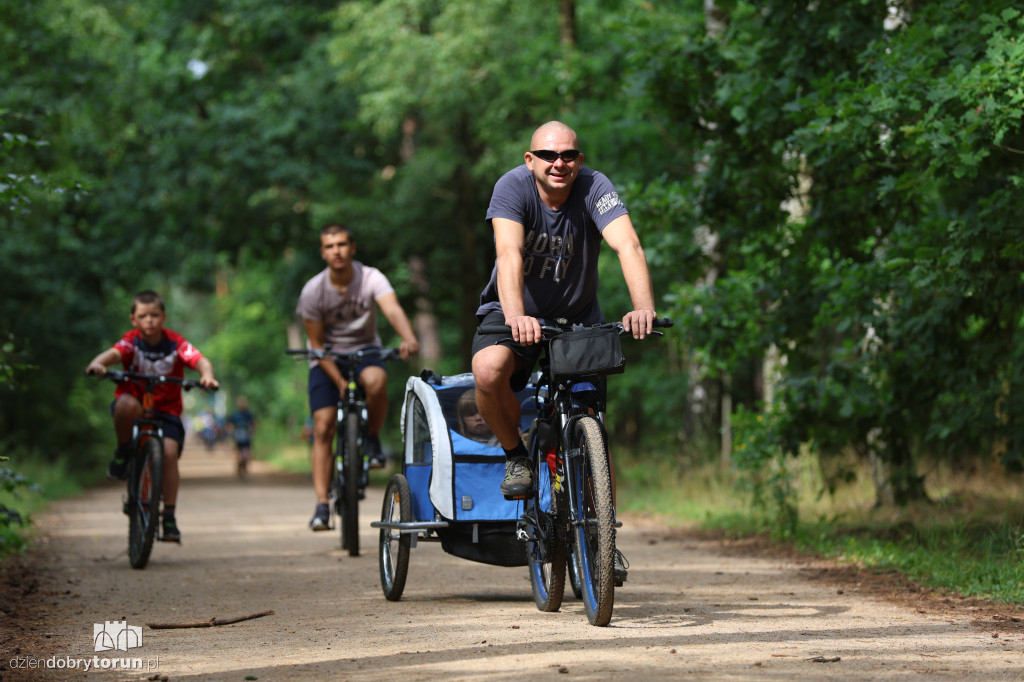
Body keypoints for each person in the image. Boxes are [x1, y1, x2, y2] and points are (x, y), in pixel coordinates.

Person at [471, 121, 659, 582]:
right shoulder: (512, 188)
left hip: (577, 318)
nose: (561, 164)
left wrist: (643, 308)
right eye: (549, 155)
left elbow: (627, 243)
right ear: (529, 158)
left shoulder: (595, 187)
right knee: (489, 371)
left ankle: (603, 537)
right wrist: (516, 316)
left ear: (579, 159)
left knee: (592, 418)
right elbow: (508, 253)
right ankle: (517, 454)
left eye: (570, 156)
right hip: (515, 312)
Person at [296, 223, 420, 531]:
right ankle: (322, 505)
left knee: (377, 382)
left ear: (352, 248)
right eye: (329, 246)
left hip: (365, 351)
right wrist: (338, 380)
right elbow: (316, 345)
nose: (336, 251)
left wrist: (408, 337)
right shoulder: (313, 290)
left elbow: (391, 310)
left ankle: (373, 440)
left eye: (341, 244)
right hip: (327, 358)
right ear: (322, 252)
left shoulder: (370, 277)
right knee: (323, 424)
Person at [84, 290, 219, 543]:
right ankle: (124, 451)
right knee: (125, 406)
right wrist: (98, 364)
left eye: (155, 315)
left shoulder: (175, 343)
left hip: (167, 409)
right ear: (133, 319)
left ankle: (168, 515)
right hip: (135, 403)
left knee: (168, 453)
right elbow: (112, 354)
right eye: (143, 316)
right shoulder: (131, 342)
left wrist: (207, 376)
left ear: (164, 317)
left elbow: (200, 360)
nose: (149, 321)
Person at [227, 396, 257, 478]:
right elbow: (230, 424)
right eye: (241, 403)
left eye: (244, 402)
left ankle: (244, 467)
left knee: (246, 455)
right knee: (239, 455)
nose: (242, 404)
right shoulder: (234, 414)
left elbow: (253, 423)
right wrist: (231, 430)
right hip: (238, 437)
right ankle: (239, 467)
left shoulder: (249, 414)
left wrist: (252, 430)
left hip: (247, 437)